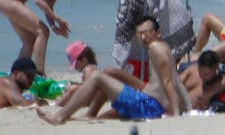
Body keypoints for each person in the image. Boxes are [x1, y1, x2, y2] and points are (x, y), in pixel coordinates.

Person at [41, 16, 188, 123]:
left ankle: (61, 116)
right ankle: (88, 115)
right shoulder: (164, 48)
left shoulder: (156, 48)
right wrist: (188, 106)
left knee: (98, 77)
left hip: (148, 105)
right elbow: (176, 80)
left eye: (147, 32)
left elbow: (169, 82)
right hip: (149, 103)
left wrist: (175, 114)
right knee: (107, 76)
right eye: (140, 33)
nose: (143, 37)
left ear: (158, 33)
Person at [0, 0, 69, 70]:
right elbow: (39, 1)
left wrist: (53, 25)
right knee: (43, 32)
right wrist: (58, 19)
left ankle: (18, 73)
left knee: (29, 42)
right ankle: (40, 73)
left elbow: (47, 5)